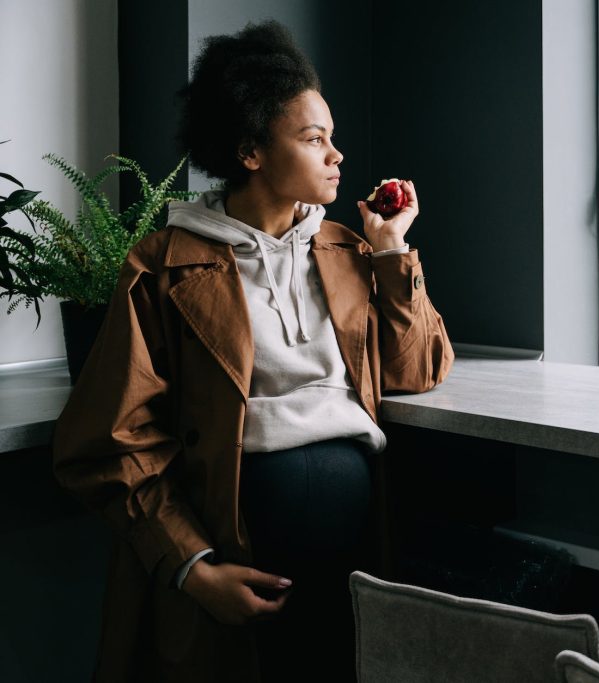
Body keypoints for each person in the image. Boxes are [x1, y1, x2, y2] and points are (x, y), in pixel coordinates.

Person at [51, 20, 454, 683]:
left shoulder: (350, 252)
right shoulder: (163, 265)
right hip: (227, 573)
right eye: (313, 138)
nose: (337, 156)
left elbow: (418, 368)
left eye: (332, 137)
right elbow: (105, 439)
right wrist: (191, 566)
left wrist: (390, 252)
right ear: (251, 152)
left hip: (353, 568)